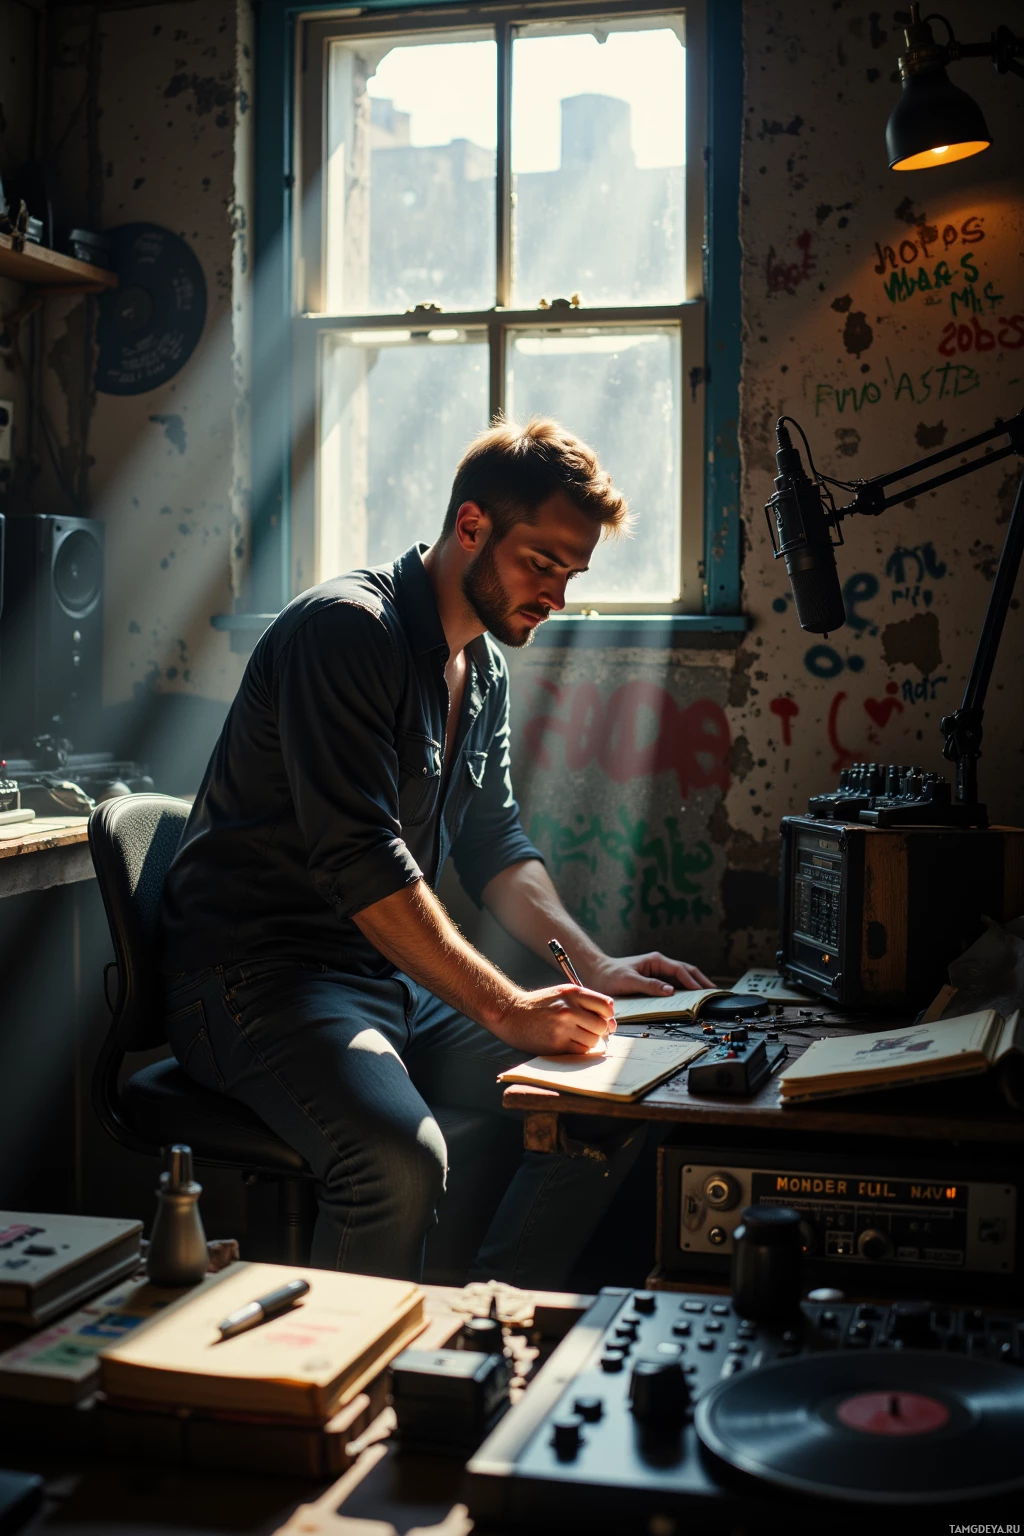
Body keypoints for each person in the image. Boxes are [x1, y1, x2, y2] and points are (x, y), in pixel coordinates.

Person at [159, 417, 712, 1285]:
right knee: (397, 1164)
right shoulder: (346, 630)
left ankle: (487, 1335)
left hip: (382, 979)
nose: (556, 597)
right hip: (251, 983)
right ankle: (347, 1400)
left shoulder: (480, 668)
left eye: (572, 575)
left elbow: (496, 845)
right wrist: (506, 1008)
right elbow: (363, 863)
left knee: (608, 1100)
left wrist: (594, 965)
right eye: (541, 563)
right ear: (470, 527)